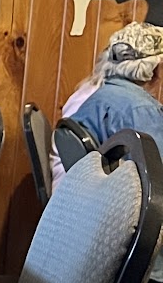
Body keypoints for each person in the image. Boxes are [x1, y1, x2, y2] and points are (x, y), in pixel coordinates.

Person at [60, 22, 163, 182]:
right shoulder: (142, 109)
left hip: (89, 193)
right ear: (157, 69)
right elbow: (157, 178)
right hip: (123, 195)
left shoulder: (99, 97)